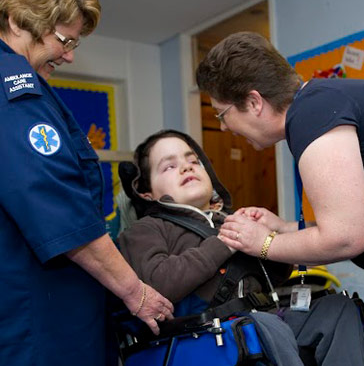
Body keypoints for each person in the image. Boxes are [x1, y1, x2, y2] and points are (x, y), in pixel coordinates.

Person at [0, 0, 173, 365]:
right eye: (65, 40)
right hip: (42, 321)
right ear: (19, 23)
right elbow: (58, 209)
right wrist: (136, 292)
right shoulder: (14, 92)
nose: (69, 56)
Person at [118, 129, 364, 366]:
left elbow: (277, 276)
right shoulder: (145, 230)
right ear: (146, 192)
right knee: (264, 326)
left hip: (265, 318)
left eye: (194, 160)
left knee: (337, 308)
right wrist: (224, 242)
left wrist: (266, 237)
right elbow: (159, 283)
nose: (186, 166)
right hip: (203, 335)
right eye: (169, 166)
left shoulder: (231, 219)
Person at [195, 31, 364, 270]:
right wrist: (284, 229)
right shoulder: (321, 102)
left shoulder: (313, 113)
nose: (223, 127)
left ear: (254, 102)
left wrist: (263, 243)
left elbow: (347, 238)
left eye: (222, 114)